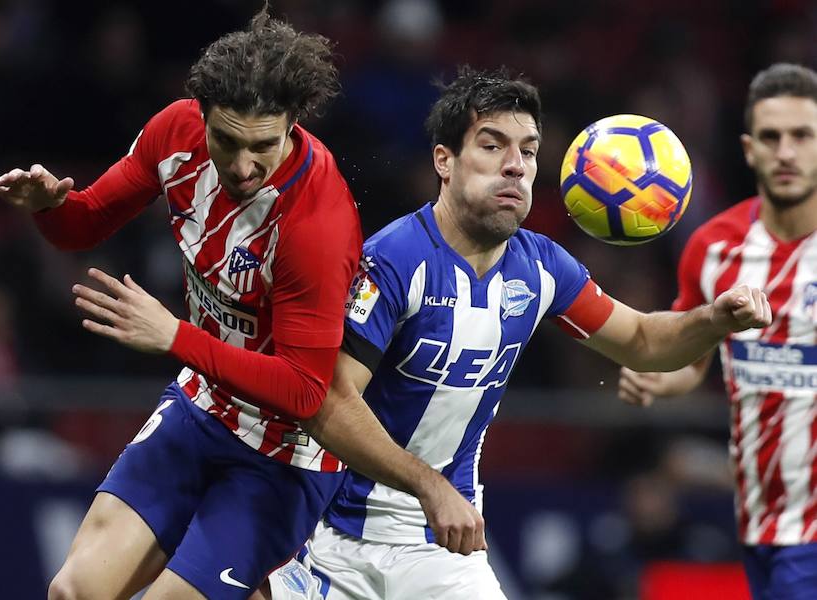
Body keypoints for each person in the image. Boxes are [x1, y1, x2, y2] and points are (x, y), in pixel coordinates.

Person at [263, 65, 772, 600]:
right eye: (492, 146)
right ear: (445, 161)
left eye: (528, 151)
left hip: (444, 549)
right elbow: (329, 402)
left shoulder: (542, 267)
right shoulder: (394, 260)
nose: (515, 166)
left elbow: (644, 341)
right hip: (335, 537)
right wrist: (430, 486)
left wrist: (714, 319)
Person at [0, 10, 365, 600]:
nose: (242, 167)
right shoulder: (174, 133)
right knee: (73, 592)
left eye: (262, 145)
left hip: (284, 454)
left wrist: (175, 337)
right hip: (201, 405)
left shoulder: (318, 222)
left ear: (293, 124)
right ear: (201, 114)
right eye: (227, 140)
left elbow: (305, 392)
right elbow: (83, 225)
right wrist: (47, 208)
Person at [618, 62, 817, 600]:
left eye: (802, 136)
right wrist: (662, 380)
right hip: (759, 515)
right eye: (772, 137)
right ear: (750, 150)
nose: (787, 152)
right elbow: (693, 362)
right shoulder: (712, 247)